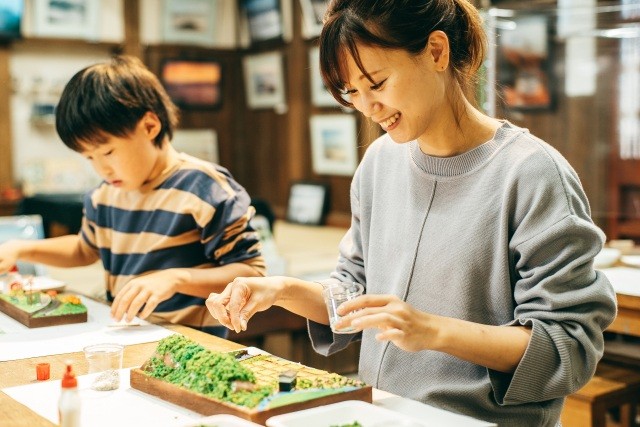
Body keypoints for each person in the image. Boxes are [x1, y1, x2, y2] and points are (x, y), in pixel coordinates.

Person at [205, 0, 617, 425]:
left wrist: (433, 331)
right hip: (380, 413)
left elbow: (568, 344)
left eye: (378, 84)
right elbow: (356, 295)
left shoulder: (530, 173)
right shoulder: (379, 163)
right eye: (352, 93)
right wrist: (281, 290)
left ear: (436, 52)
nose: (367, 107)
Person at [0, 55, 265, 337]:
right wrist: (21, 248)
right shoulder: (105, 195)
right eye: (89, 157)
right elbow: (85, 249)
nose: (102, 167)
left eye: (108, 152)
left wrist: (177, 279)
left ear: (150, 126)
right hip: (125, 338)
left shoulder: (203, 187)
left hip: (191, 347)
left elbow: (252, 274)